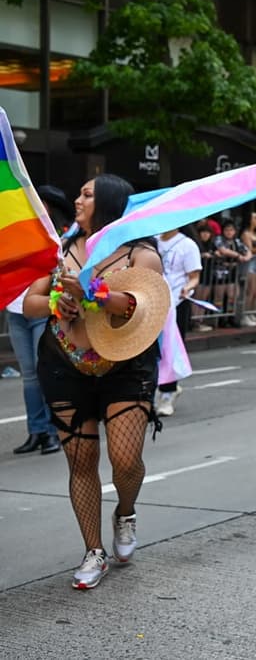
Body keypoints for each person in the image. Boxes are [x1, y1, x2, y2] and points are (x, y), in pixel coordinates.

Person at [24, 174, 168, 589]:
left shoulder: (141, 254)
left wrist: (91, 292)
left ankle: (125, 511)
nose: (77, 198)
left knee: (125, 461)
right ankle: (93, 550)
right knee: (81, 463)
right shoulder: (60, 249)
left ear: (107, 202)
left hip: (126, 366)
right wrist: (57, 301)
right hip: (63, 364)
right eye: (80, 191)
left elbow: (141, 305)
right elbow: (31, 302)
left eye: (86, 193)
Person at [9, 184, 72, 456]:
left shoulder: (57, 238)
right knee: (29, 377)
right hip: (16, 311)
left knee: (44, 370)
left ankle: (53, 432)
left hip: (43, 309)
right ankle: (35, 432)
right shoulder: (12, 233)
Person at [155, 226, 202, 417]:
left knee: (170, 348)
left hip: (177, 303)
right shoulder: (153, 240)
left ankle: (168, 393)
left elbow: (194, 276)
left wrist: (186, 288)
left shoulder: (187, 245)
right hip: (156, 301)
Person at [212, 219, 251, 328]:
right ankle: (219, 318)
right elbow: (223, 250)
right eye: (227, 230)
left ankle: (230, 317)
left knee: (232, 295)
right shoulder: (219, 239)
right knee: (219, 296)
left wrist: (246, 257)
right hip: (220, 271)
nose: (229, 232)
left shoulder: (237, 241)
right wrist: (238, 256)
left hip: (233, 271)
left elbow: (247, 251)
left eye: (231, 230)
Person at [192, 221, 217, 332]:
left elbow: (218, 252)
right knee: (197, 298)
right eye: (203, 232)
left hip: (208, 274)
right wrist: (203, 255)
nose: (205, 235)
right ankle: (194, 321)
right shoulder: (196, 245)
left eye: (208, 233)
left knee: (203, 298)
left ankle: (200, 320)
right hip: (198, 275)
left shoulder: (212, 244)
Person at [240, 212, 256, 326]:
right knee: (250, 290)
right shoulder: (246, 234)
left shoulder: (254, 233)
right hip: (250, 263)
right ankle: (245, 315)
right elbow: (250, 249)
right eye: (255, 218)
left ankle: (251, 312)